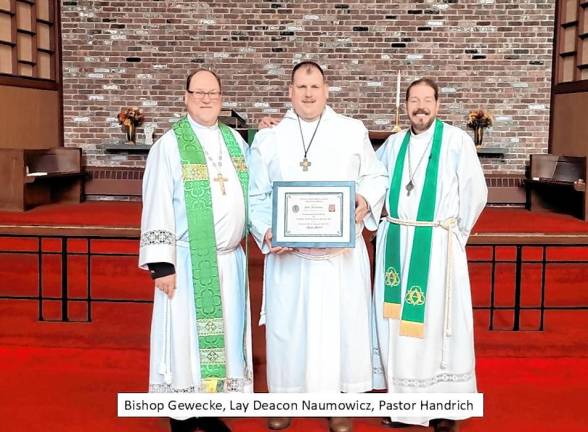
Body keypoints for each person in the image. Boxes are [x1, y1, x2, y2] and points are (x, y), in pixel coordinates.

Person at [248, 61, 388, 432]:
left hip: (339, 258)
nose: (308, 94)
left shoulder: (350, 130)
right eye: (301, 87)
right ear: (290, 92)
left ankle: (339, 402)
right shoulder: (270, 138)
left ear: (327, 90)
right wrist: (266, 231)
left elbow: (375, 176)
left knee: (340, 325)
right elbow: (256, 194)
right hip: (289, 258)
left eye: (315, 86)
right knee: (288, 326)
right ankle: (285, 397)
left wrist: (365, 200)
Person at [139, 69, 252, 432]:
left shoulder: (235, 140)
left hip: (229, 260)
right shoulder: (170, 144)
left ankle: (208, 409)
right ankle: (181, 416)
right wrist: (161, 264)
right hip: (186, 262)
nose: (207, 99)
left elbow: (258, 192)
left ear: (221, 98)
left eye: (214, 92)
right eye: (199, 92)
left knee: (223, 340)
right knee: (185, 340)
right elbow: (156, 201)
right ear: (186, 97)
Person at [372, 78, 487, 432]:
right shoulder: (392, 144)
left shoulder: (456, 142)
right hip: (397, 244)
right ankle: (405, 404)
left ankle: (445, 408)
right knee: (398, 325)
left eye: (426, 100)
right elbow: (373, 181)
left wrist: (452, 236)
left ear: (437, 104)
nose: (420, 106)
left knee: (436, 325)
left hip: (436, 245)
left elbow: (475, 193)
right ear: (405, 105)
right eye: (414, 99)